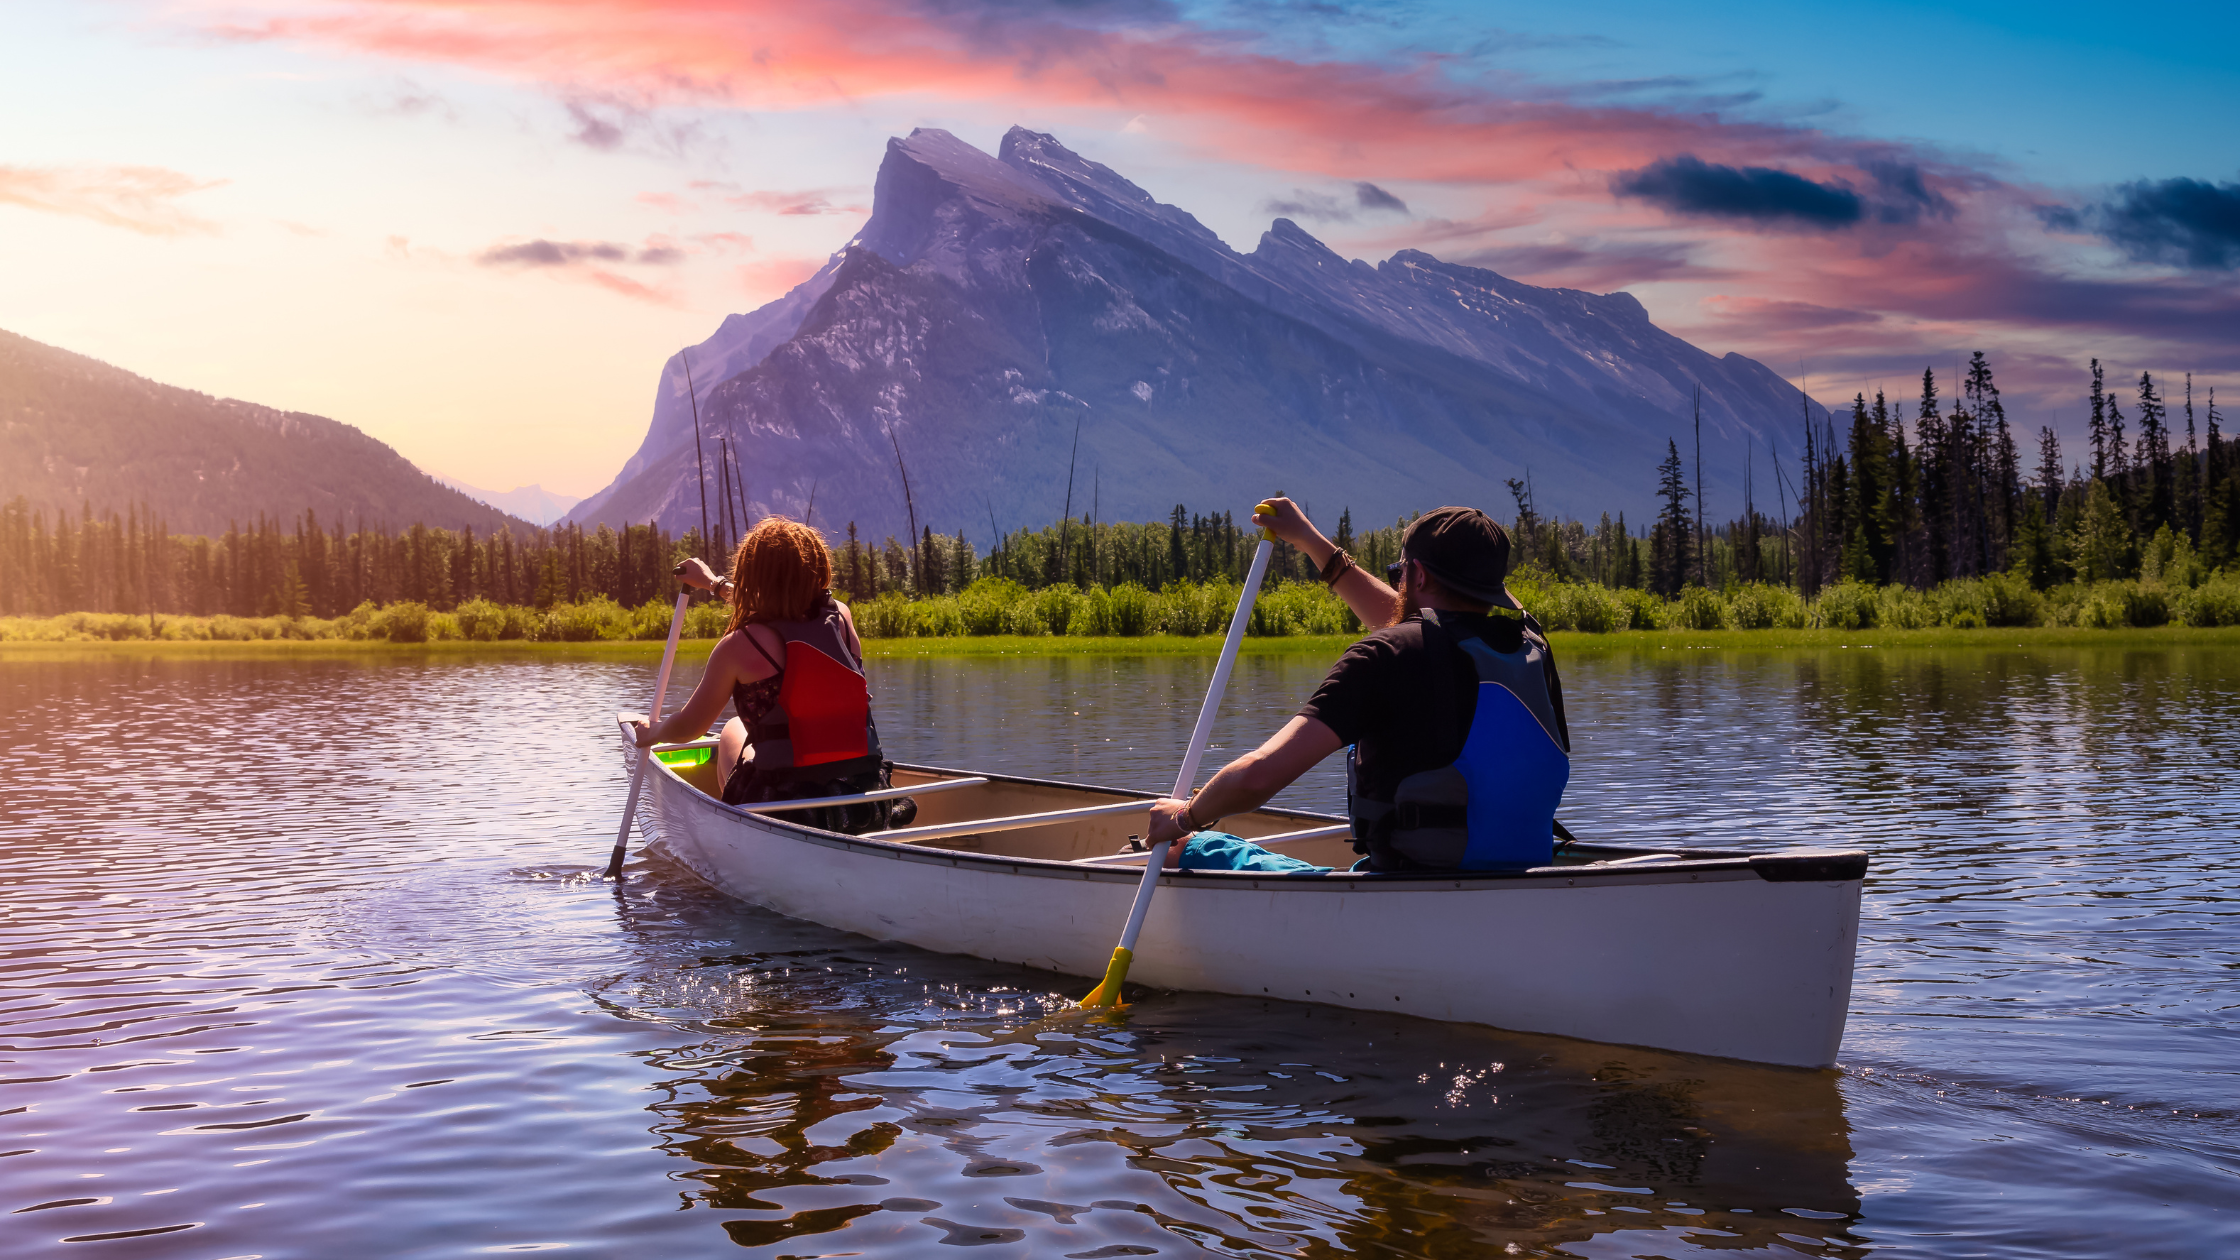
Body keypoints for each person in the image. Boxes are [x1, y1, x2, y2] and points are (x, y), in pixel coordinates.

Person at [1144, 499, 1571, 873]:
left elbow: (1257, 778)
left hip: (1414, 878)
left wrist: (1185, 817)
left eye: (1399, 572)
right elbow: (1414, 627)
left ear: (1417, 575)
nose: (1397, 581)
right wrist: (1310, 539)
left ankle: (1187, 849)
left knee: (1191, 849)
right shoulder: (1528, 649)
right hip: (1527, 865)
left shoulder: (1385, 657)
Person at [628, 518, 909, 834]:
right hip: (866, 802)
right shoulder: (841, 618)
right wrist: (713, 584)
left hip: (788, 810)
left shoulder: (738, 647)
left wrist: (654, 732)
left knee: (733, 728)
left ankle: (738, 836)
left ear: (752, 575)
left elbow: (691, 727)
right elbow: (788, 609)